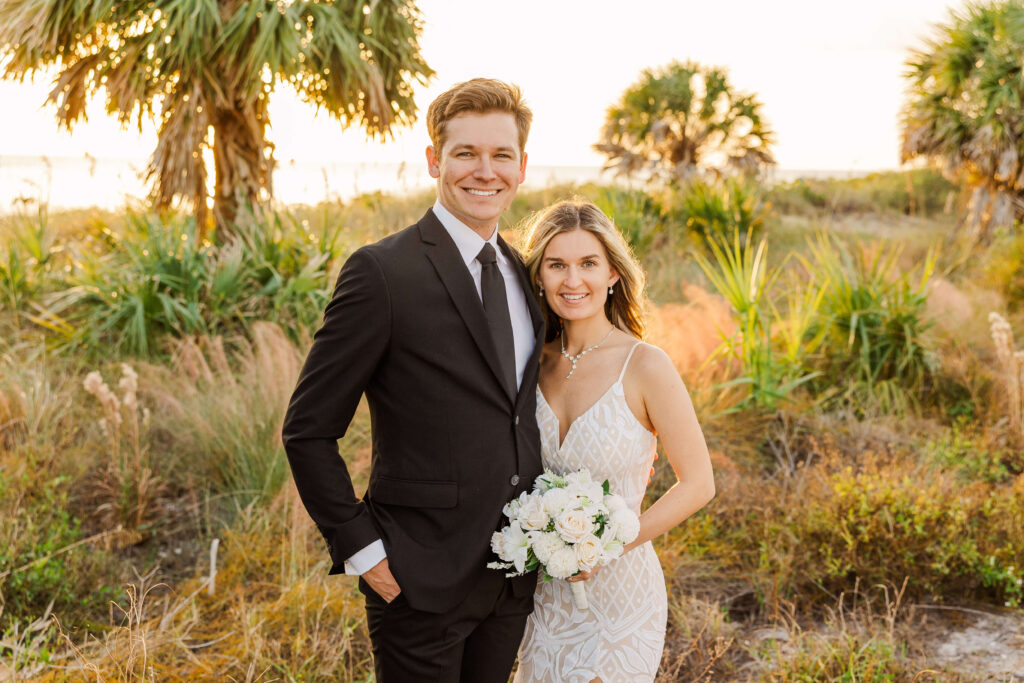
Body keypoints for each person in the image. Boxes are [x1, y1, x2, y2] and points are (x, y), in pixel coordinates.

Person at [282, 78, 545, 682]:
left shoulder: (525, 272)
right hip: (416, 577)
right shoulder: (381, 271)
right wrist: (365, 552)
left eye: (501, 155)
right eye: (465, 153)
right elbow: (308, 430)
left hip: (512, 577)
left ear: (522, 166)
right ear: (434, 160)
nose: (485, 171)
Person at [513, 199, 716, 682]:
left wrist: (607, 549)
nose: (572, 280)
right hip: (544, 593)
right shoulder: (528, 363)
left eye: (588, 264)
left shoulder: (646, 364)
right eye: (556, 265)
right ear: (538, 276)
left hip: (622, 591)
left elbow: (698, 484)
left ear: (613, 275)